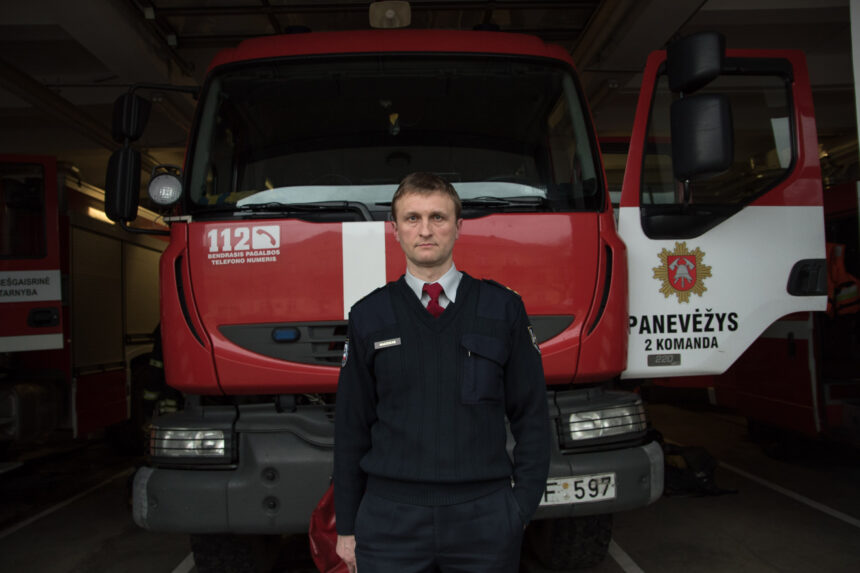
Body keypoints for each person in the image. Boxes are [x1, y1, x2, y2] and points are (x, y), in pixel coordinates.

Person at [334, 172, 550, 573]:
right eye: (412, 218)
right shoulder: (368, 315)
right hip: (389, 522)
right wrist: (346, 526)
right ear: (395, 230)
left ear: (458, 227)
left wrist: (518, 510)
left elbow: (533, 417)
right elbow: (350, 429)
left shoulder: (502, 309)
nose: (426, 230)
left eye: (438, 217)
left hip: (483, 519)